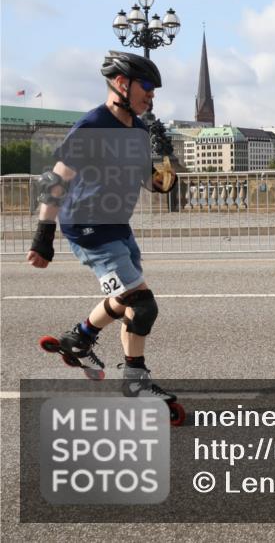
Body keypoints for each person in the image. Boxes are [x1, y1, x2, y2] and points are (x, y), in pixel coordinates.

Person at [29, 51, 180, 415]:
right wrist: (43, 234)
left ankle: (79, 337)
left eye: (154, 89)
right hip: (88, 226)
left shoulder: (139, 130)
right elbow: (55, 180)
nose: (152, 95)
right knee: (142, 303)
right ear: (121, 84)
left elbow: (143, 175)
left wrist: (158, 183)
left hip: (117, 224)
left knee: (126, 298)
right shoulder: (92, 126)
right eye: (147, 87)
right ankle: (135, 381)